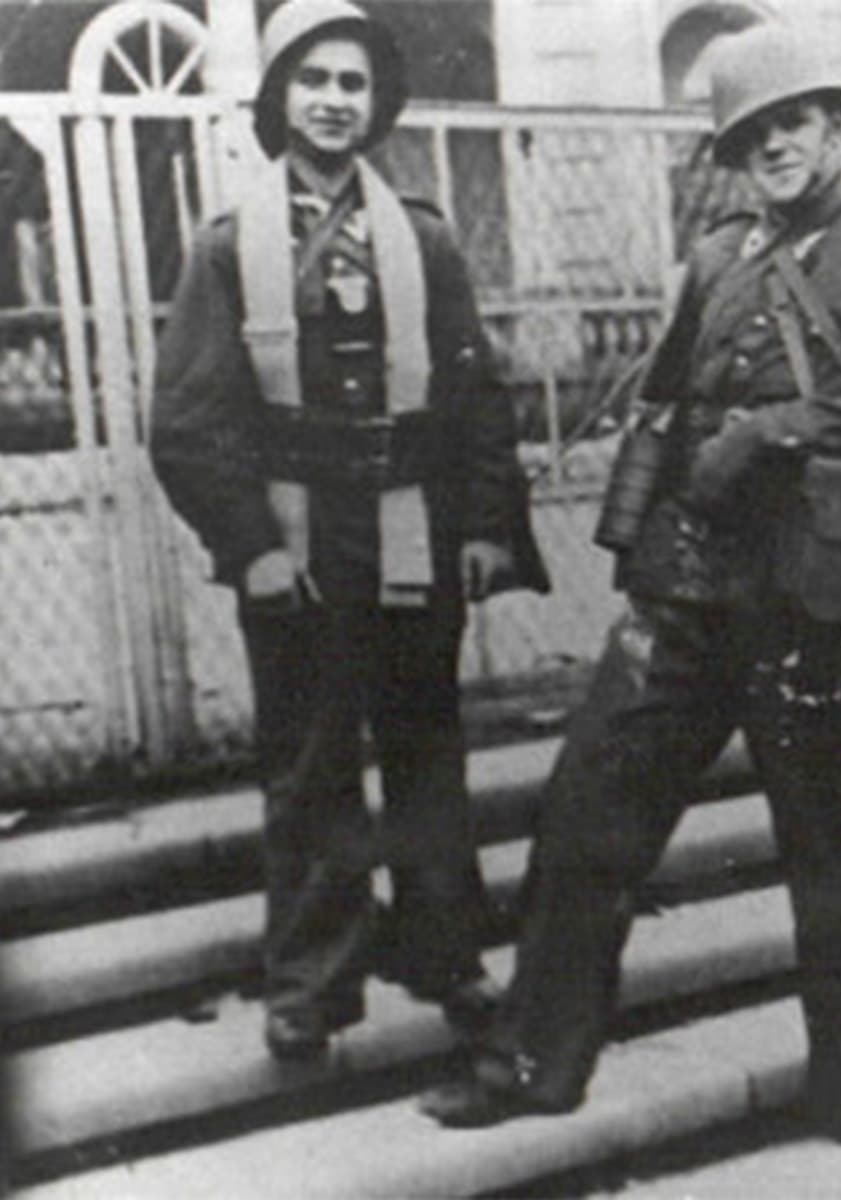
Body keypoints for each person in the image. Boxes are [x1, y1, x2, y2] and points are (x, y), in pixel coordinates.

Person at [420, 21, 841, 1162]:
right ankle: (533, 1061)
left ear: (838, 126)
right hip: (692, 592)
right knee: (586, 816)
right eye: (750, 135)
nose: (774, 148)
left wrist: (770, 432)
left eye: (792, 124)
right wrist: (644, 544)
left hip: (819, 599)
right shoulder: (717, 258)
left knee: (840, 853)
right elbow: (665, 406)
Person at [150, 0, 547, 1062]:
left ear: (377, 104)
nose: (334, 101)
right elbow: (188, 422)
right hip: (301, 542)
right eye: (314, 80)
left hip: (416, 529)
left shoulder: (423, 239)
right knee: (311, 761)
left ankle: (444, 952)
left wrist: (486, 526)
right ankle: (311, 984)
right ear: (281, 98)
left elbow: (475, 394)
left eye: (353, 83)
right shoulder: (228, 249)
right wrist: (251, 548)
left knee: (426, 748)